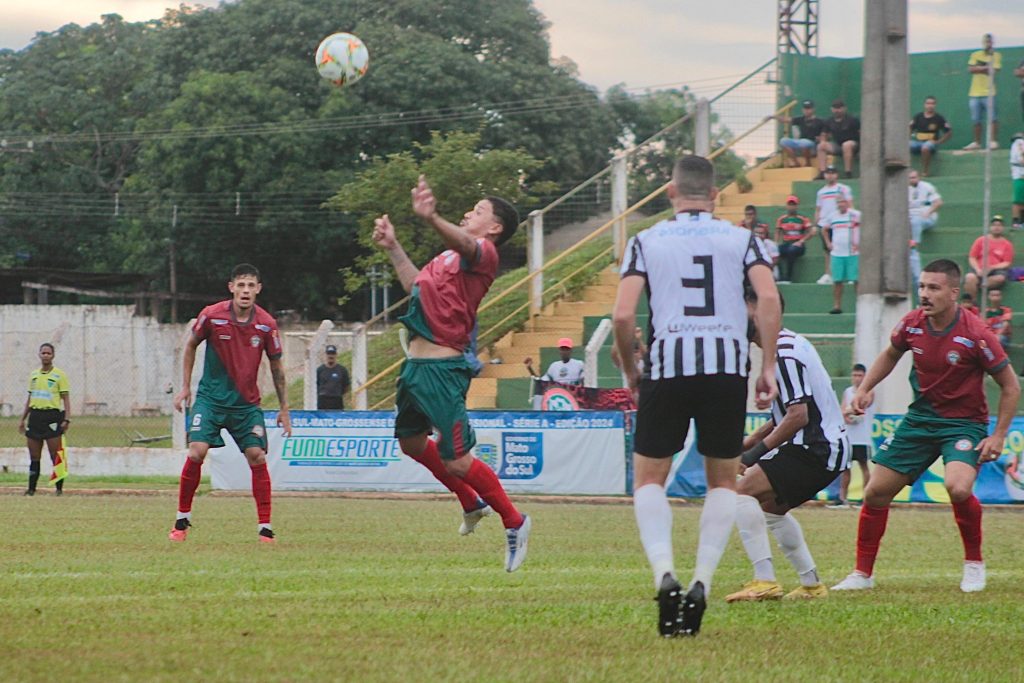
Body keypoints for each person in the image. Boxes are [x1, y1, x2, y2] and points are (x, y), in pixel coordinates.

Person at [612, 154, 781, 637]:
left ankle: (665, 573)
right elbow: (767, 299)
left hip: (668, 367)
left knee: (648, 479)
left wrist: (630, 369)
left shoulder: (645, 240)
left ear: (670, 193)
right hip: (725, 368)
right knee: (723, 483)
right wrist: (765, 364)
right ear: (715, 196)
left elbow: (623, 316)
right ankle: (702, 581)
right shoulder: (743, 238)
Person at [832, 259, 1020, 594]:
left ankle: (974, 564)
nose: (924, 294)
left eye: (933, 288)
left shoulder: (977, 333)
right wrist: (864, 388)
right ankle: (862, 573)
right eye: (921, 287)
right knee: (875, 492)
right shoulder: (912, 323)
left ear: (953, 292)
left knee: (958, 488)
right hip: (919, 420)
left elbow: (1010, 385)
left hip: (963, 425)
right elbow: (890, 354)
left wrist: (999, 434)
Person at [373, 176, 531, 571]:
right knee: (411, 443)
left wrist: (431, 217)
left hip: (444, 369)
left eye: (477, 211)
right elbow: (415, 287)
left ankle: (516, 521)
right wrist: (393, 247)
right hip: (415, 367)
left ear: (493, 227)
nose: (468, 213)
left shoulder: (485, 254)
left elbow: (464, 242)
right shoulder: (446, 259)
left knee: (458, 461)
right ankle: (469, 502)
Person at [726, 293, 849, 602]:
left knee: (741, 493)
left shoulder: (784, 353)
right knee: (772, 511)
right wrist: (752, 441)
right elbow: (789, 411)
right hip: (823, 447)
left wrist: (752, 456)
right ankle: (812, 585)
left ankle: (764, 581)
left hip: (816, 447)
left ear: (763, 311)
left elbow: (798, 416)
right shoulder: (787, 344)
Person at [170, 264, 292, 544]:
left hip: (246, 406)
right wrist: (186, 387)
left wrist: (285, 409)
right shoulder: (212, 316)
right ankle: (181, 520)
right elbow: (190, 345)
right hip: (210, 401)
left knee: (257, 456)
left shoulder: (266, 324)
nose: (246, 291)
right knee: (196, 452)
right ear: (231, 288)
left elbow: (276, 367)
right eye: (241, 285)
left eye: (251, 285)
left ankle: (265, 528)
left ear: (258, 289)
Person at [18, 343, 71, 496]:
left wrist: (67, 419)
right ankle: (31, 489)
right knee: (34, 456)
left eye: (48, 353)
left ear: (53, 356)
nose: (46, 355)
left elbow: (66, 398)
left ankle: (59, 489)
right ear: (39, 355)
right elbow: (30, 398)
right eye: (43, 353)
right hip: (35, 416)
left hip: (52, 416)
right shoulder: (34, 375)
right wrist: (23, 419)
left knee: (55, 454)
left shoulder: (59, 375)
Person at [831, 363, 874, 508]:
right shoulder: (848, 392)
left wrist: (847, 413)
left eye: (860, 376)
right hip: (849, 437)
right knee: (845, 468)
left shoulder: (869, 391)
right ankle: (842, 498)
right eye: (854, 375)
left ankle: (866, 498)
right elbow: (843, 410)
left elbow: (862, 406)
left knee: (863, 466)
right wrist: (846, 415)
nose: (857, 378)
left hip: (862, 437)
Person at [813, 166, 853, 285]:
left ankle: (850, 275)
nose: (830, 175)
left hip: (841, 223)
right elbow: (818, 209)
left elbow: (850, 204)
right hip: (826, 223)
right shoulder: (821, 192)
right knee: (828, 251)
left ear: (836, 175)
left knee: (846, 249)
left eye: (833, 173)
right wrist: (816, 224)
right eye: (827, 173)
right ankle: (829, 274)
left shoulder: (843, 188)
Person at [822, 196, 860, 314]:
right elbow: (824, 229)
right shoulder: (833, 216)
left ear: (847, 203)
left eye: (843, 202)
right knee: (837, 281)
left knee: (856, 280)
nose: (841, 204)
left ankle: (860, 305)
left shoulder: (855, 215)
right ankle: (837, 305)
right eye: (839, 202)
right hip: (837, 253)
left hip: (853, 252)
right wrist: (828, 243)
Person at [964, 34, 1001, 150]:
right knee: (976, 119)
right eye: (986, 42)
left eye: (990, 42)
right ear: (983, 42)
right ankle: (977, 142)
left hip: (990, 92)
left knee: (993, 118)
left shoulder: (996, 55)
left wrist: (979, 68)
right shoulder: (975, 54)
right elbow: (970, 69)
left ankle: (993, 141)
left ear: (992, 43)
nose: (988, 44)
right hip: (974, 93)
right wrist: (985, 68)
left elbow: (994, 70)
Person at [963, 216, 1014, 303]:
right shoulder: (980, 240)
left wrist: (992, 267)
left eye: (999, 225)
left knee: (1000, 278)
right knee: (970, 277)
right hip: (979, 268)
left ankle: (977, 285)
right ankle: (972, 304)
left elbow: (1007, 262)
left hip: (996, 270)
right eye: (994, 225)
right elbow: (972, 257)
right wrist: (977, 269)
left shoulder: (1007, 244)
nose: (996, 227)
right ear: (990, 227)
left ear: (1003, 228)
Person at [908, 170, 944, 285]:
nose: (912, 180)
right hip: (909, 218)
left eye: (914, 177)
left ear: (919, 177)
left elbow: (938, 202)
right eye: (910, 178)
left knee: (916, 221)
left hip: (926, 216)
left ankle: (914, 244)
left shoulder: (927, 187)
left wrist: (928, 212)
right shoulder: (902, 189)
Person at [774, 195, 815, 283]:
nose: (791, 207)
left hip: (798, 245)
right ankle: (780, 276)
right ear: (787, 205)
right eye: (790, 204)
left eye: (793, 205)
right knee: (775, 251)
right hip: (786, 243)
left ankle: (788, 277)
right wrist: (776, 243)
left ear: (796, 206)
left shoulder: (802, 218)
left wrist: (802, 241)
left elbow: (812, 231)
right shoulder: (781, 219)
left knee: (791, 250)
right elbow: (777, 231)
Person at [909, 96, 952, 177]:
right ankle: (907, 171)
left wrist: (938, 142)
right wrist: (908, 139)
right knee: (905, 145)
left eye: (932, 103)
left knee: (925, 147)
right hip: (917, 143)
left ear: (935, 105)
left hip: (931, 145)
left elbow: (949, 132)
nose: (930, 105)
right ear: (924, 105)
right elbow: (910, 128)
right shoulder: (918, 116)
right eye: (928, 103)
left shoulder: (939, 118)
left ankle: (925, 171)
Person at [817, 99, 860, 178]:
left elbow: (861, 133)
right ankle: (822, 172)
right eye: (835, 108)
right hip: (838, 145)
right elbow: (823, 134)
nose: (837, 110)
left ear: (844, 108)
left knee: (846, 145)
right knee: (821, 146)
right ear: (832, 109)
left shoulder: (852, 120)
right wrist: (822, 141)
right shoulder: (829, 121)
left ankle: (848, 172)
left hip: (854, 145)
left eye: (839, 108)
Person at [777, 100, 825, 168]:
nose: (806, 110)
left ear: (813, 109)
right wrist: (772, 117)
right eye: (805, 108)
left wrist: (821, 138)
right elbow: (786, 119)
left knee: (804, 143)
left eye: (808, 108)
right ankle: (796, 163)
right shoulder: (801, 119)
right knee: (783, 141)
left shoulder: (820, 121)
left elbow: (826, 133)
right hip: (801, 142)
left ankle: (808, 163)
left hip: (813, 144)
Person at [316, 344, 350, 410]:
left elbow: (346, 386)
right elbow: (316, 384)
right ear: (325, 355)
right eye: (329, 354)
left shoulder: (342, 370)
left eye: (333, 354)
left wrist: (338, 393)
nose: (330, 356)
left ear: (336, 355)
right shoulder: (320, 370)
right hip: (323, 400)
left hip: (337, 400)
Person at [1010, 132, 1024, 229]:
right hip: (1020, 175)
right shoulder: (1019, 143)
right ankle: (1016, 221)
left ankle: (1020, 221)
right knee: (1018, 200)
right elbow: (1022, 160)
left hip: (1019, 175)